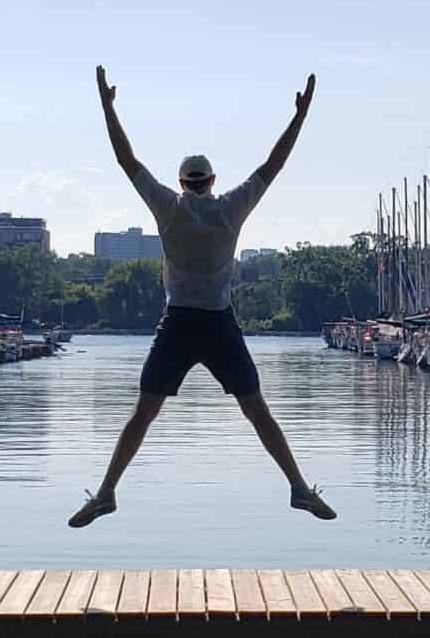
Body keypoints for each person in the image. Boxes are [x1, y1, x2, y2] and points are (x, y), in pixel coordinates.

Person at [69, 66, 336, 527]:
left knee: (142, 415)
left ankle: (108, 491)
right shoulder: (231, 206)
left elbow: (125, 159)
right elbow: (273, 165)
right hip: (218, 324)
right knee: (257, 412)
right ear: (212, 180)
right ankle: (297, 487)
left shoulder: (167, 206)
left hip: (177, 324)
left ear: (181, 182)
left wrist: (107, 108)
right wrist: (300, 116)